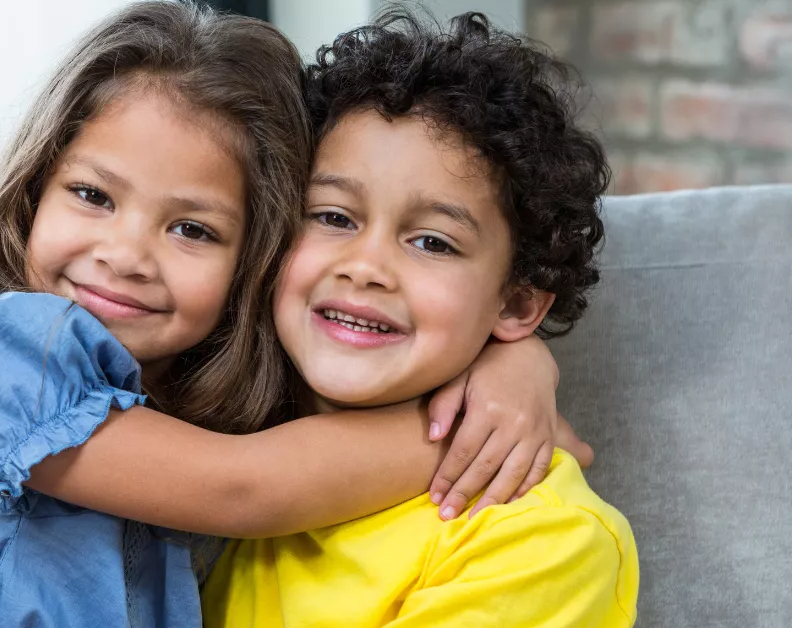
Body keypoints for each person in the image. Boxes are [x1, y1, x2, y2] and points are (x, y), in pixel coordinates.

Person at [0, 3, 590, 627]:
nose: (126, 253)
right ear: (29, 191)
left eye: (193, 228)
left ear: (256, 260)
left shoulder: (192, 388)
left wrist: (512, 364)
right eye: (91, 195)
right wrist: (481, 423)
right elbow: (247, 488)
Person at [202, 9, 639, 627]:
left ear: (515, 303)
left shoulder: (539, 541)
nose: (366, 266)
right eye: (332, 216)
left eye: (433, 242)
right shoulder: (226, 406)